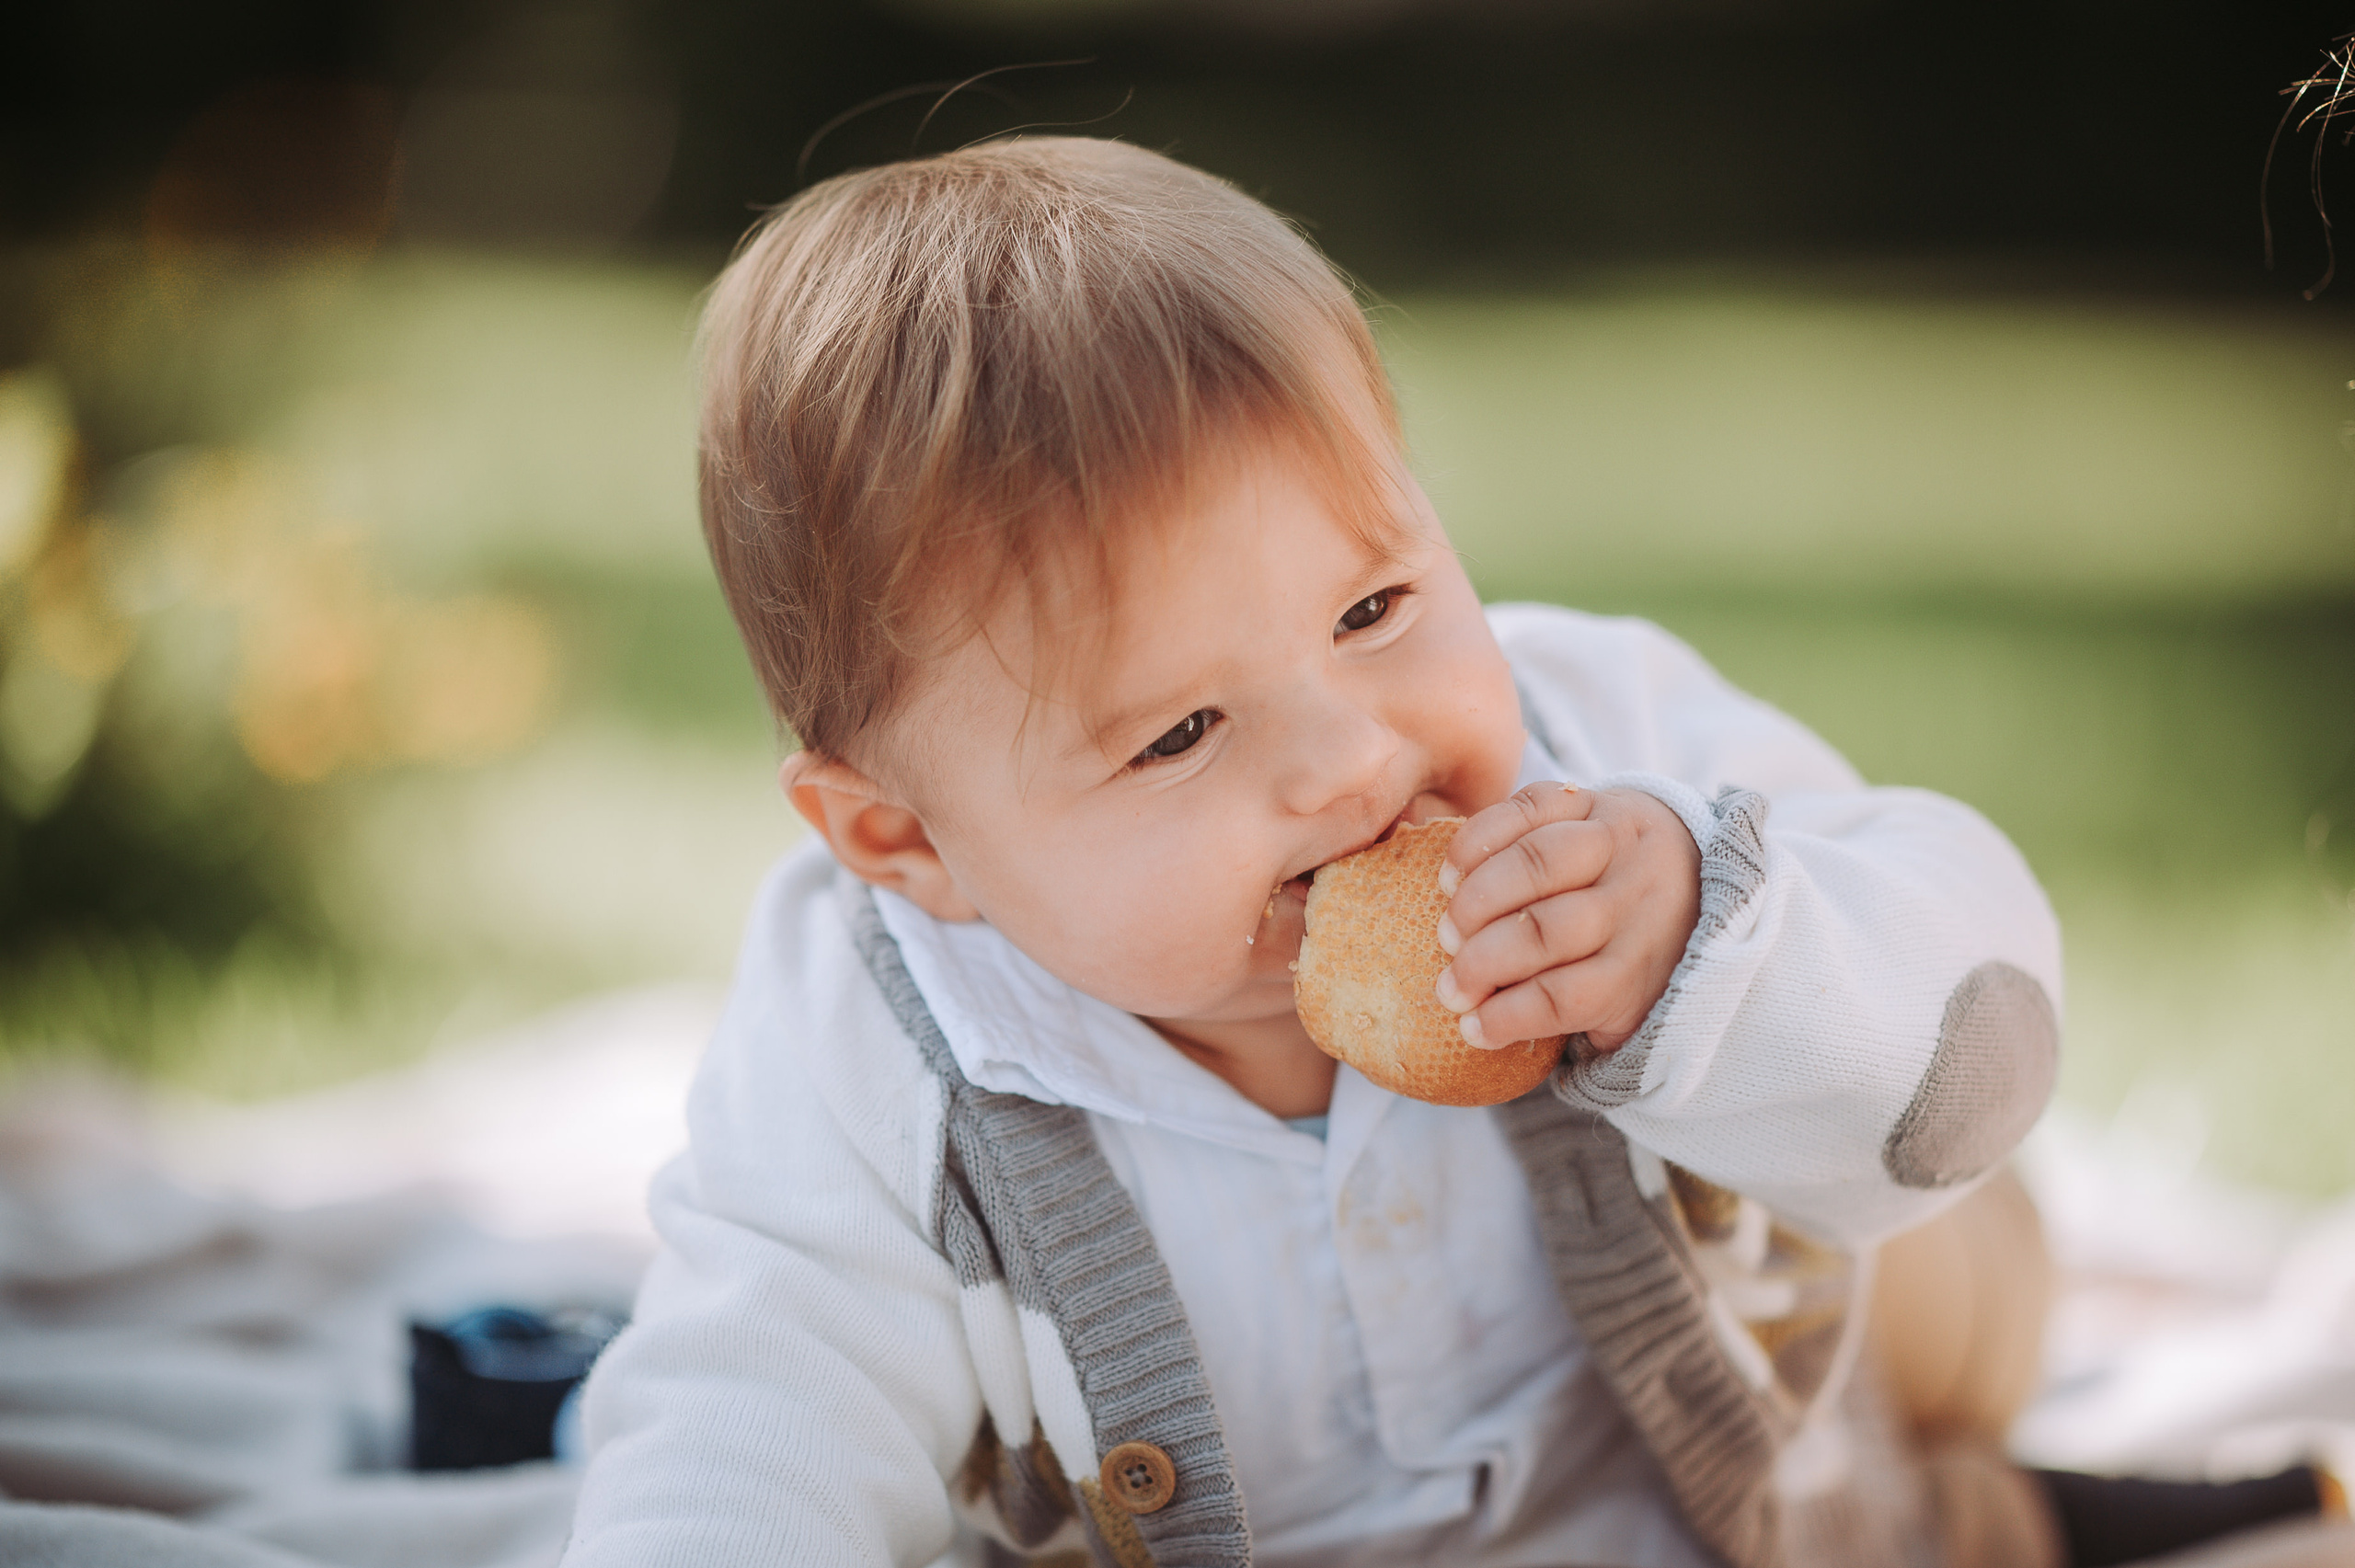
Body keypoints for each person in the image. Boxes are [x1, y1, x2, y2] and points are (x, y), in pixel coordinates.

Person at [557, 136, 2341, 1568]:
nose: (1351, 761)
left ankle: (2042, 1487)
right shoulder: (875, 1042)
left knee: (1933, 1332)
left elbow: (1975, 1027)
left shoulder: (1604, 751)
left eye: (1374, 602)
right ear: (901, 836)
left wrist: (1704, 944)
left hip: (1745, 1504)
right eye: (1178, 732)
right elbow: (747, 1403)